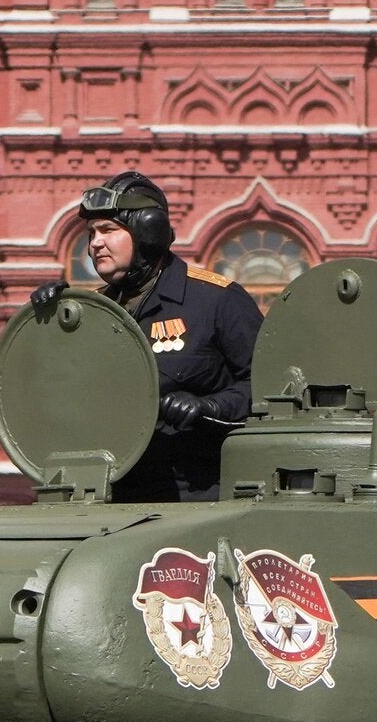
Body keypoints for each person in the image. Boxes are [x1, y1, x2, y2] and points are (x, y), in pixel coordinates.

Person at [32, 172, 261, 502]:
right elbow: (55, 393)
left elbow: (268, 387)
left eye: (108, 230)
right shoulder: (95, 313)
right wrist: (48, 325)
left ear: (148, 232)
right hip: (113, 495)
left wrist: (210, 406)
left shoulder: (215, 300)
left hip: (202, 497)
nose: (95, 243)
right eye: (91, 233)